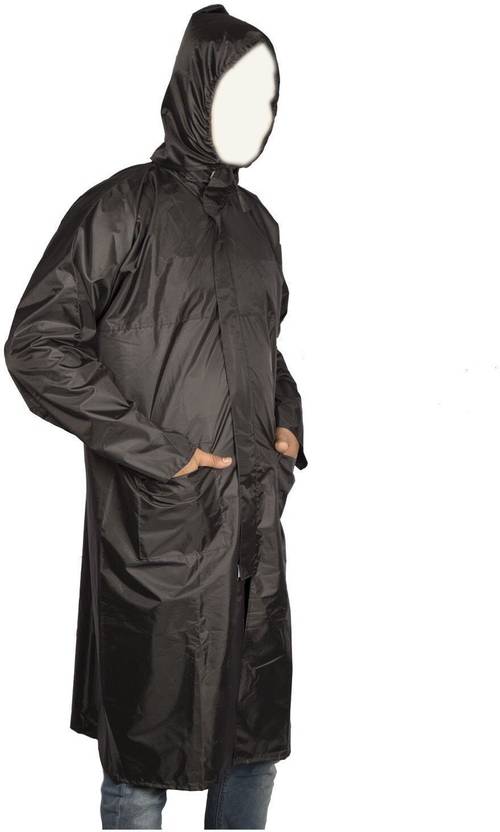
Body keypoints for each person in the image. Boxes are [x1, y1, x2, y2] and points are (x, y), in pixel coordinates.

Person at [4, 4, 307, 829]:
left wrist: (288, 426)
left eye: (270, 97)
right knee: (143, 753)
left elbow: (267, 349)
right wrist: (161, 452)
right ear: (195, 93)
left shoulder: (257, 225)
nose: (260, 115)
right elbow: (38, 344)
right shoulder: (123, 208)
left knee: (252, 743)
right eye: (240, 93)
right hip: (158, 534)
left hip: (253, 528)